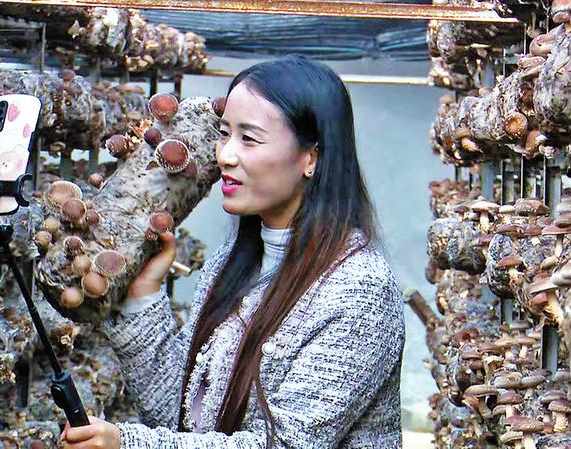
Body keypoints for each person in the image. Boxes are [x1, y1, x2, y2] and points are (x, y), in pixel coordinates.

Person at [60, 55, 405, 449]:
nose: (225, 155)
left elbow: (286, 444)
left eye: (249, 138)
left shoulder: (359, 290)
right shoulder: (233, 262)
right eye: (225, 134)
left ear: (310, 158)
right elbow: (182, 417)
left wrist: (130, 444)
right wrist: (143, 296)